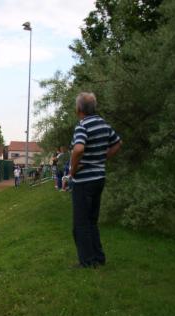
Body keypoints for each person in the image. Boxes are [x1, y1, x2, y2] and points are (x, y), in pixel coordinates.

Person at [70, 92, 121, 268]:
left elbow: (78, 149)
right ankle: (98, 257)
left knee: (80, 224)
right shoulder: (103, 125)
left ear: (79, 109)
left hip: (84, 181)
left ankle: (86, 261)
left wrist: (73, 169)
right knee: (92, 221)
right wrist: (101, 158)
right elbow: (117, 143)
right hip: (99, 177)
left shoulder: (82, 126)